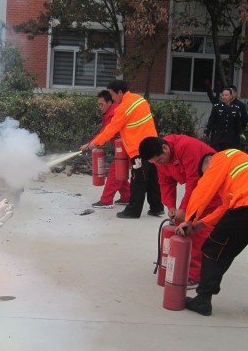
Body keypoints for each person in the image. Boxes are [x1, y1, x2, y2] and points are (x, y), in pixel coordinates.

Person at [176, 149, 248, 320]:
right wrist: (201, 224)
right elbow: (226, 207)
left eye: (207, 174)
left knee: (213, 249)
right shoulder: (243, 166)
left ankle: (203, 299)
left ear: (208, 164)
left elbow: (204, 190)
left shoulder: (220, 158)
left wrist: (190, 219)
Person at [139, 135, 222, 289]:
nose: (159, 164)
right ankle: (180, 265)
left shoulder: (186, 147)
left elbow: (194, 181)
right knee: (180, 225)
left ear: (165, 148)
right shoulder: (161, 159)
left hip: (215, 188)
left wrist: (184, 210)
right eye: (155, 163)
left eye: (159, 160)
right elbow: (165, 182)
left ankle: (195, 275)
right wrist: (171, 206)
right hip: (199, 188)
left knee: (196, 228)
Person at [80, 80, 164, 219]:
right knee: (152, 180)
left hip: (139, 150)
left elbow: (111, 130)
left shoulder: (123, 108)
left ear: (119, 92)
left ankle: (133, 211)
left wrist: (95, 143)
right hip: (153, 146)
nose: (112, 99)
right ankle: (157, 208)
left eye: (113, 95)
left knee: (138, 181)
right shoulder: (140, 100)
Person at [90, 90, 130, 209]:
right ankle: (127, 197)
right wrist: (91, 143)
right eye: (98, 104)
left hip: (126, 147)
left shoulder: (114, 114)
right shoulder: (109, 113)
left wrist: (93, 143)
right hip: (122, 147)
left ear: (109, 102)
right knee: (119, 173)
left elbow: (107, 131)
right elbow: (105, 132)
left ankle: (106, 200)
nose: (99, 107)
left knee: (115, 173)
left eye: (101, 104)